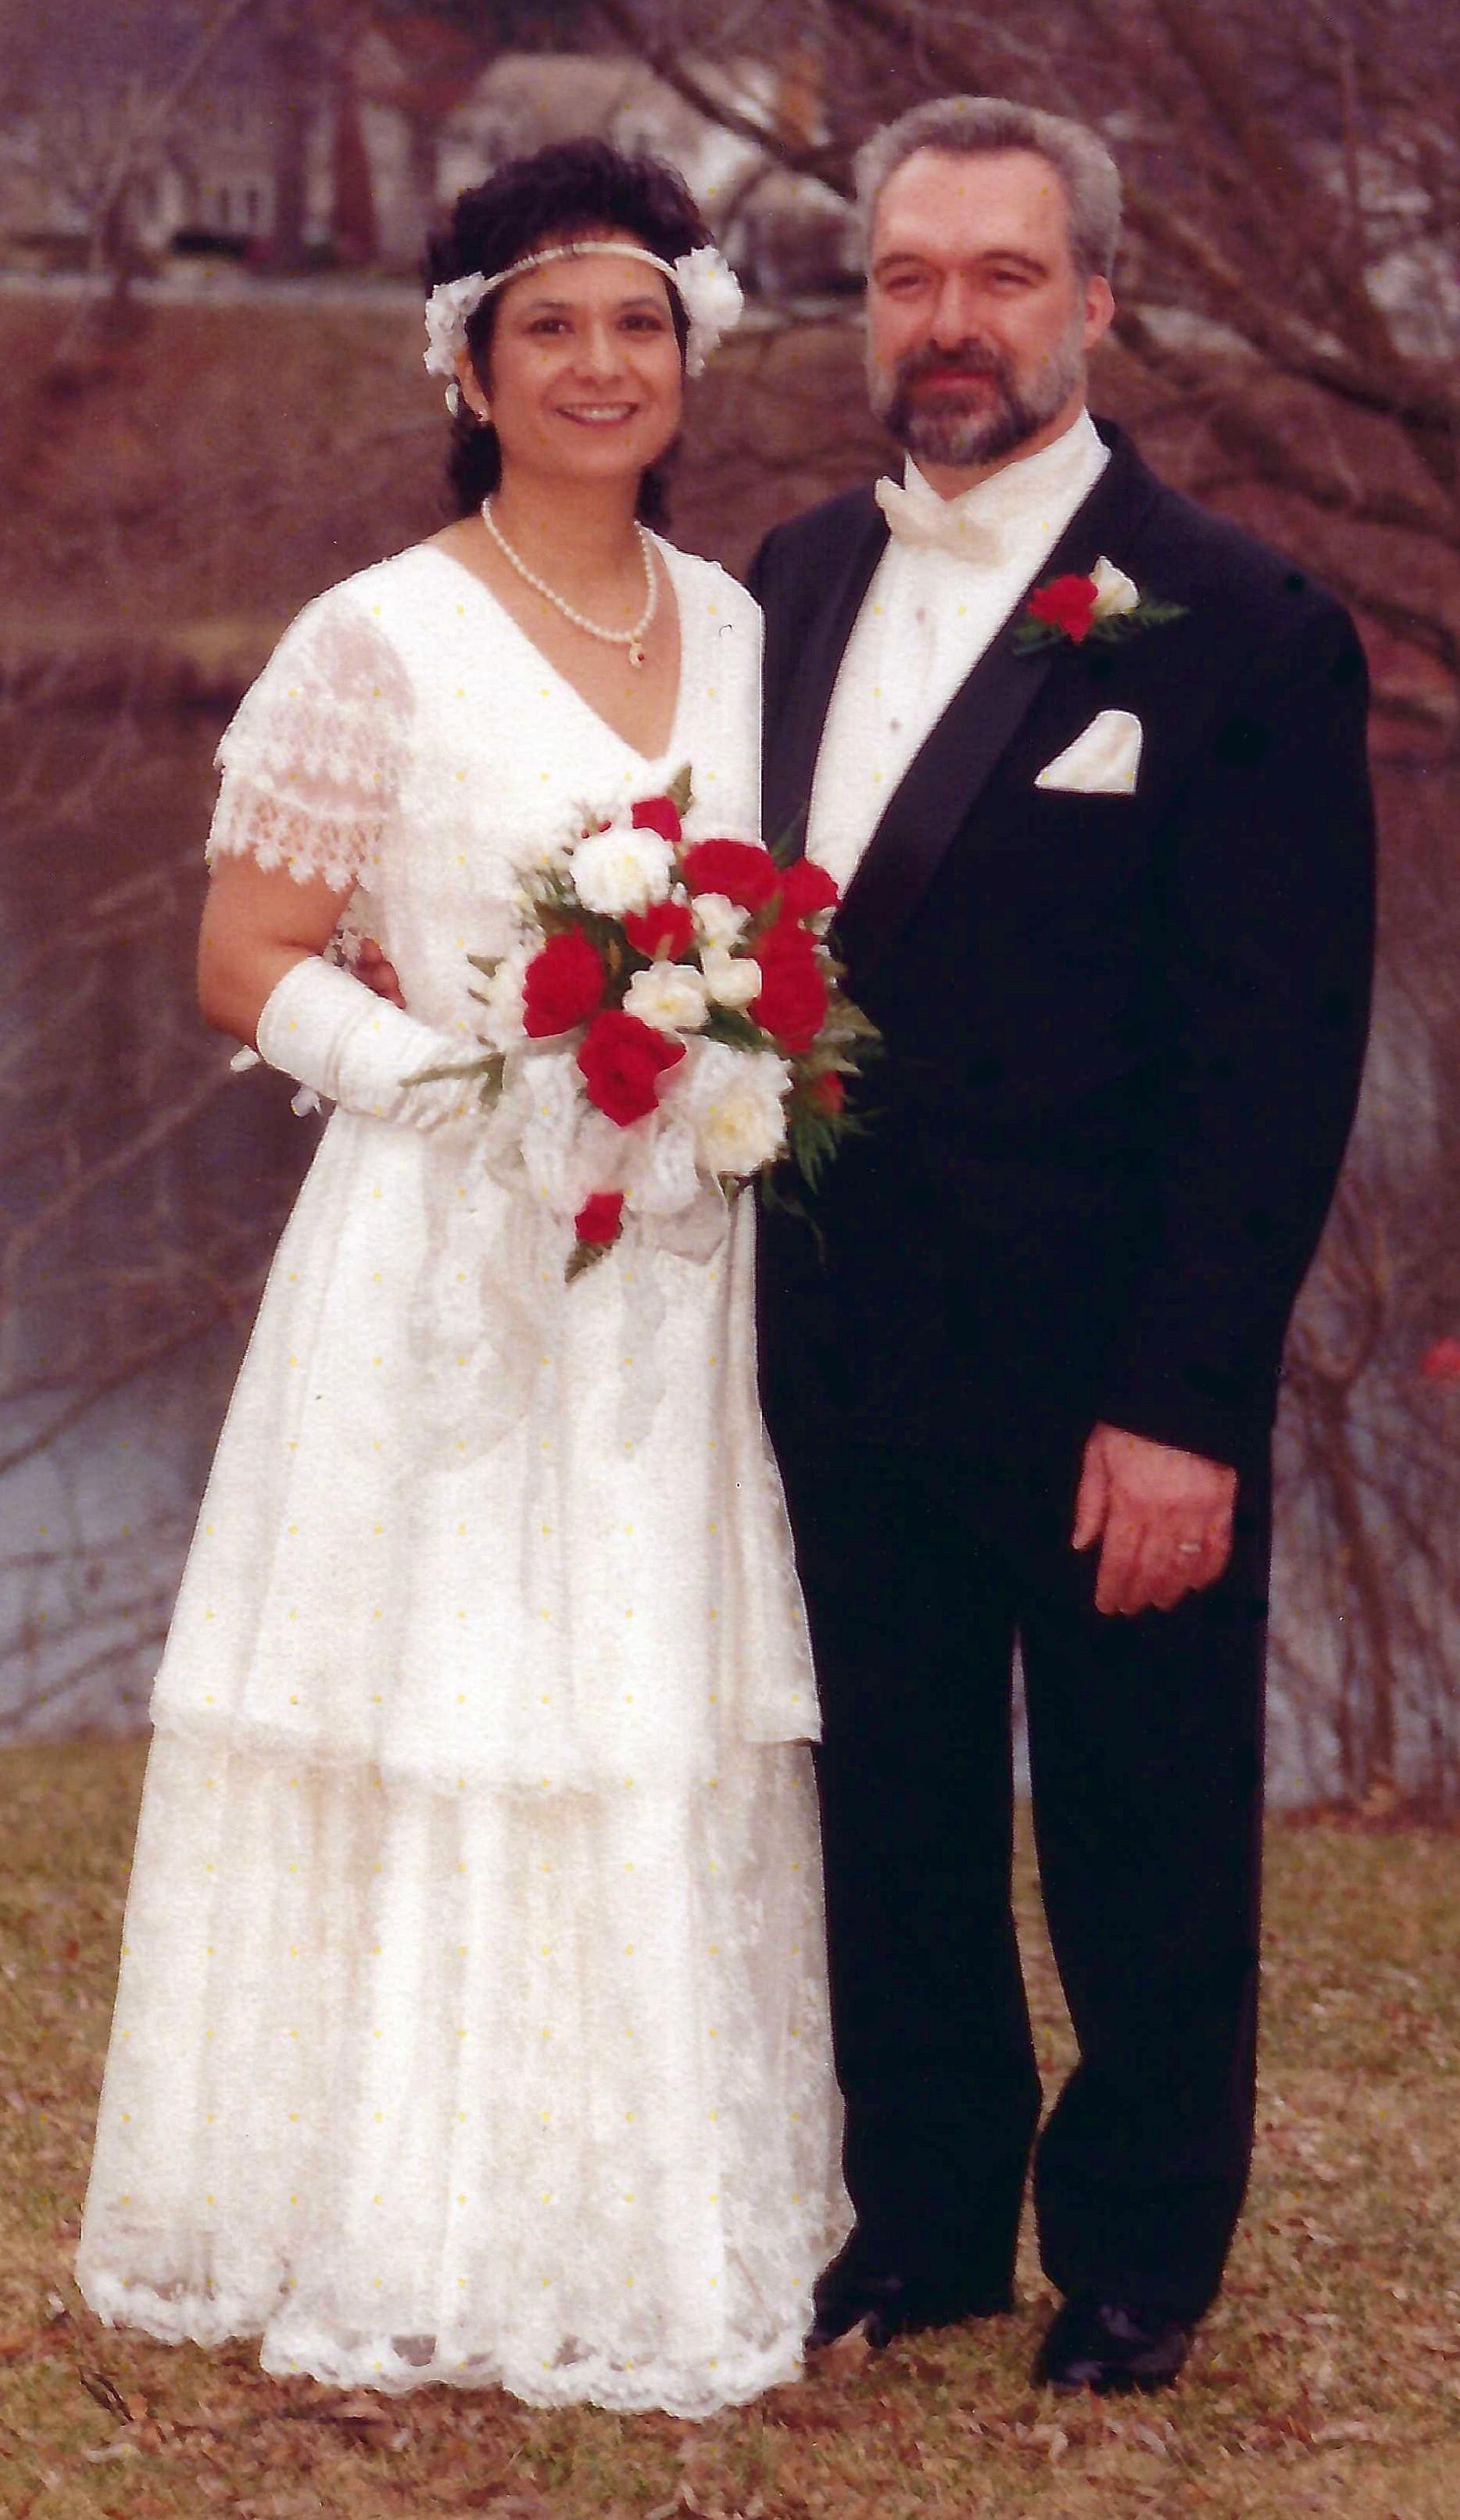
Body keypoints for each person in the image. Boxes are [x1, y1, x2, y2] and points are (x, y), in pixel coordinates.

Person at [76, 139, 847, 2418]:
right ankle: (397, 2212)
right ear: (471, 366)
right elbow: (245, 955)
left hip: (671, 1266)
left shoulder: (742, 624)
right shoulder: (372, 632)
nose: (601, 365)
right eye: (550, 327)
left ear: (689, 353)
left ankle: (630, 2213)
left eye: (637, 323)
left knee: (628, 1695)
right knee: (445, 1699)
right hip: (438, 1257)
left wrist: (702, 1078)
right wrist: (469, 1098)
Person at [747, 97, 1375, 2393]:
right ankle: (918, 2220)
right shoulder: (783, 583)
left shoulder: (1242, 622)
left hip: (1112, 1364)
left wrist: (1186, 1402)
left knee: (1138, 1815)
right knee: (886, 1805)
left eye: (1001, 277)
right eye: (909, 275)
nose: (949, 321)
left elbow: (1274, 1058)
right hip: (831, 1348)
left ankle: (1134, 2253)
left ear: (1095, 301)